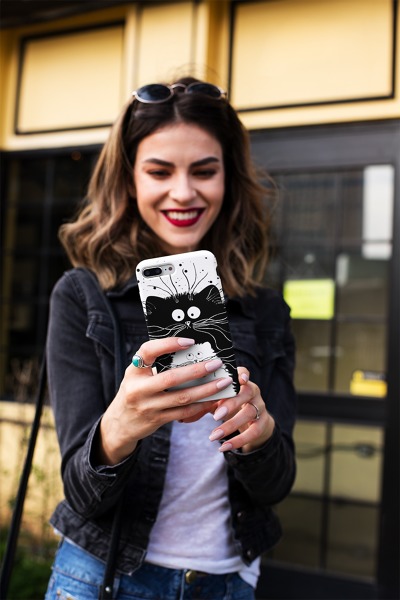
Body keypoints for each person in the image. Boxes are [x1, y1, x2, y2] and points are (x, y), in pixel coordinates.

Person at [45, 76, 297, 600]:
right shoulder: (84, 296)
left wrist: (260, 434)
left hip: (226, 583)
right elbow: (81, 494)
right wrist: (120, 427)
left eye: (204, 171)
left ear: (229, 178)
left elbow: (277, 486)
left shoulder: (266, 310)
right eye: (159, 171)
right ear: (129, 179)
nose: (183, 192)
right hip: (101, 578)